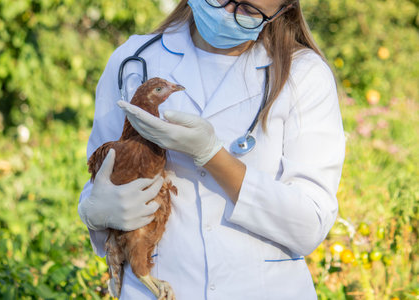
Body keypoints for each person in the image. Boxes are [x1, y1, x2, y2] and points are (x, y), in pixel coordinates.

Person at [78, 0, 346, 298]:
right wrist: (93, 210)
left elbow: (309, 224)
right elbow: (100, 177)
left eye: (249, 10)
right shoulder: (133, 60)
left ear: (281, 10)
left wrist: (212, 155)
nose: (227, 13)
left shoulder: (305, 74)